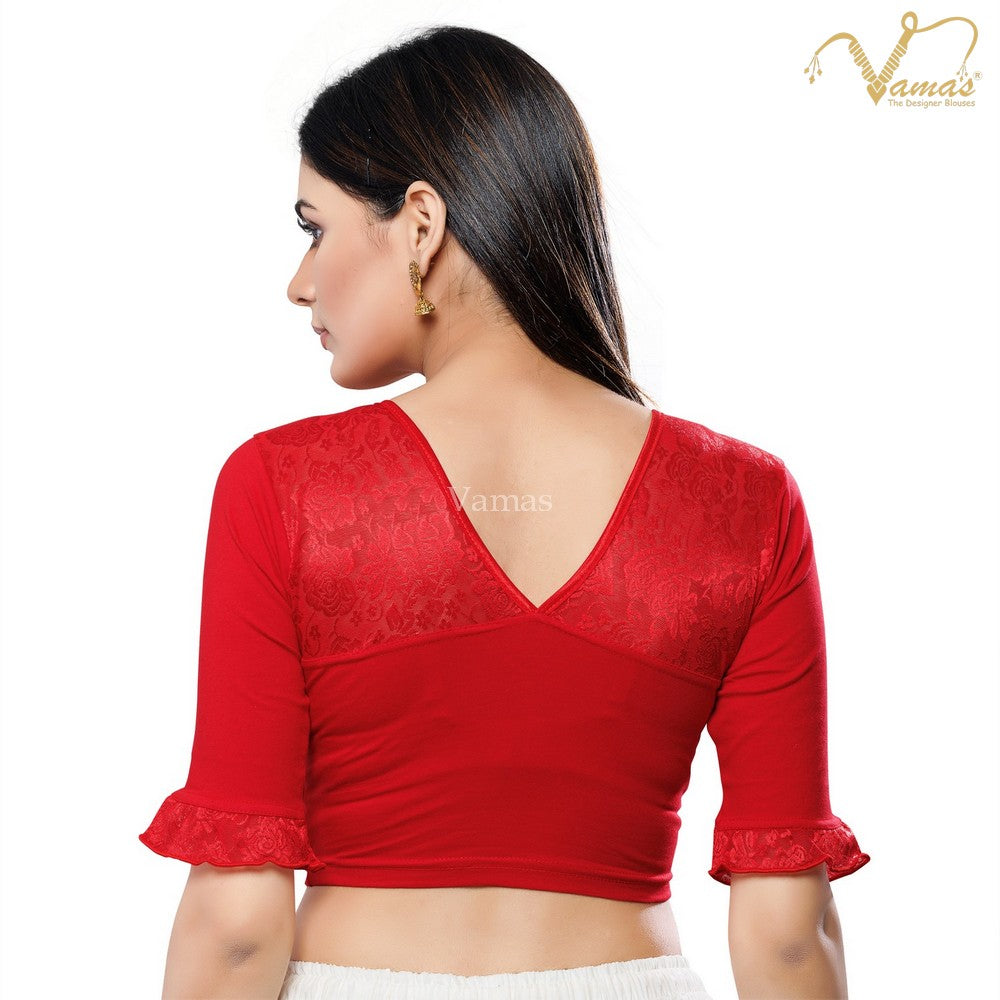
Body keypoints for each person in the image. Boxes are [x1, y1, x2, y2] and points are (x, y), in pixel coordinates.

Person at [137, 24, 871, 1000]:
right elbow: (785, 935)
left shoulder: (284, 487)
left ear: (420, 223)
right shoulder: (745, 500)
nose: (300, 282)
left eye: (315, 228)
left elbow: (236, 925)